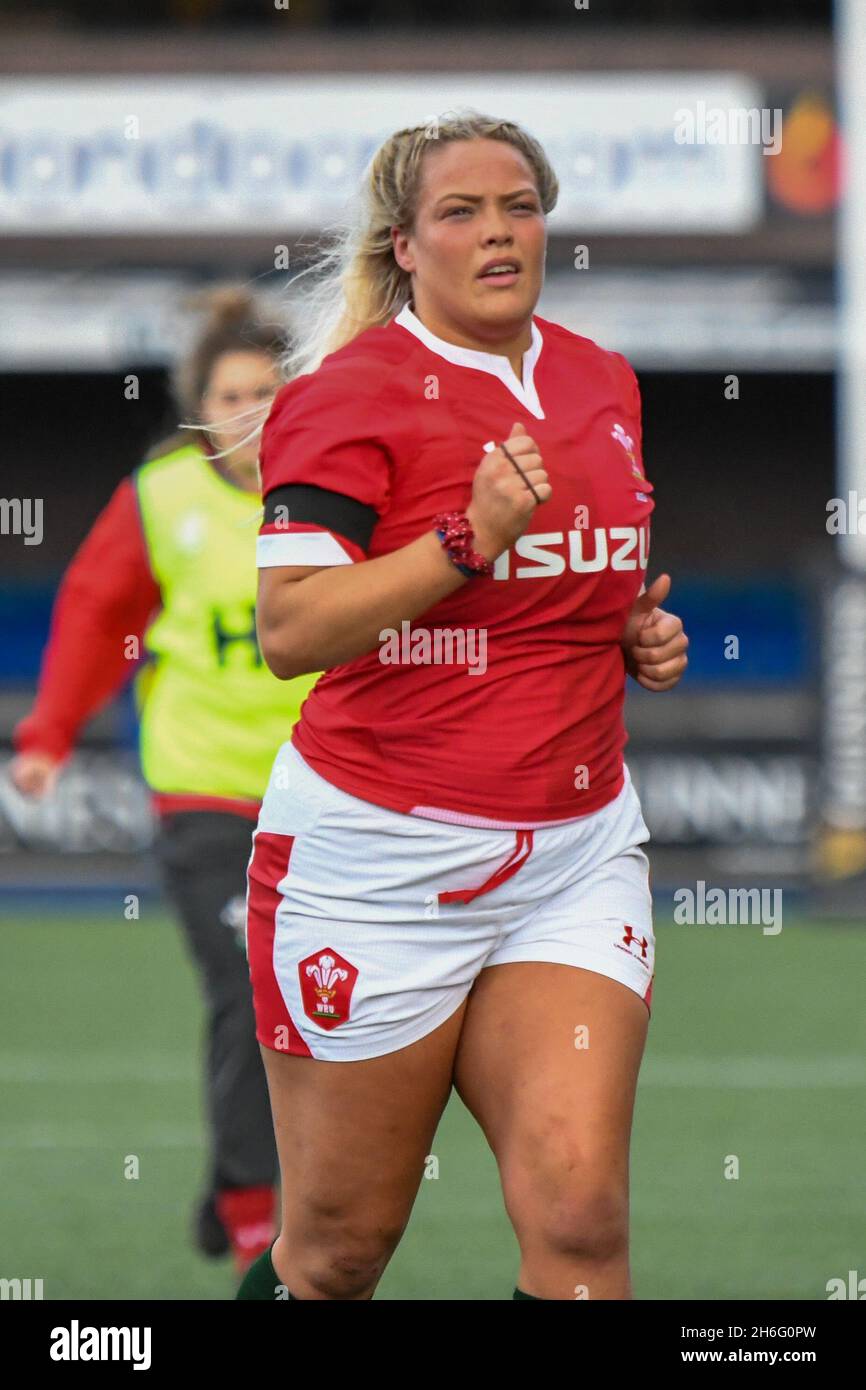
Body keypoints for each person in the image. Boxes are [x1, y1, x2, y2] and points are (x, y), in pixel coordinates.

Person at [239, 111, 688, 1302]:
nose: (498, 233)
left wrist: (631, 634)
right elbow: (290, 632)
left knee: (581, 1220)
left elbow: (578, 587)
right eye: (461, 212)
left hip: (573, 854)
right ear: (403, 244)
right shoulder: (348, 396)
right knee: (337, 1253)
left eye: (519, 206)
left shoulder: (600, 378)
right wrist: (463, 539)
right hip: (377, 862)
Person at [11, 288, 318, 1275]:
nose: (251, 412)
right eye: (230, 394)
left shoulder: (331, 494)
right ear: (200, 406)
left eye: (268, 392)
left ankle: (290, 1190)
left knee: (327, 1004)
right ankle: (247, 1203)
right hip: (206, 793)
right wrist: (51, 731)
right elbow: (99, 615)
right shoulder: (164, 499)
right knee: (245, 987)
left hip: (327, 796)